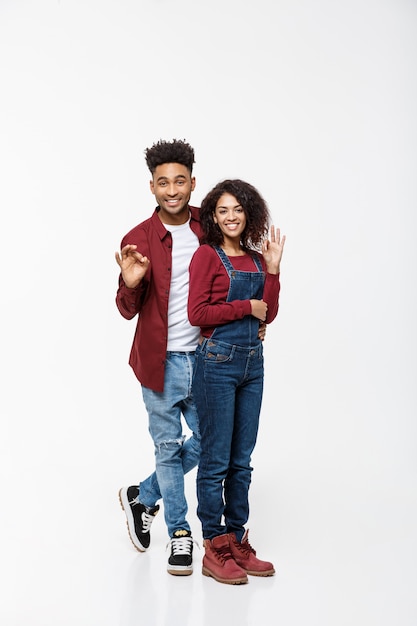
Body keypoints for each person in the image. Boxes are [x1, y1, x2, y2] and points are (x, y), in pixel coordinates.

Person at [187, 178, 286, 585]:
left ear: (249, 214)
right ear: (213, 215)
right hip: (216, 362)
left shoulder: (256, 259)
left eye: (238, 210)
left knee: (241, 459)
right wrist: (246, 306)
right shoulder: (206, 257)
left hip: (252, 364)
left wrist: (275, 270)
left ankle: (238, 538)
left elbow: (269, 314)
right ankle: (214, 544)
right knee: (215, 461)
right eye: (223, 210)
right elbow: (198, 313)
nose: (231, 217)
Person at [115, 138, 202, 576]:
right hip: (160, 363)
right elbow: (126, 308)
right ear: (151, 187)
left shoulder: (211, 226)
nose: (172, 190)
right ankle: (179, 535)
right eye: (163, 182)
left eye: (180, 181)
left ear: (192, 182)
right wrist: (131, 282)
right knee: (168, 449)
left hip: (207, 360)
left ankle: (143, 495)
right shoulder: (137, 238)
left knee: (211, 441)